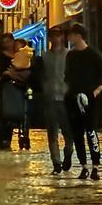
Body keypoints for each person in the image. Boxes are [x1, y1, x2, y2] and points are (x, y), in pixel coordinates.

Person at [65, 24, 102, 180]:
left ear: (79, 36)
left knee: (91, 131)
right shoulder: (70, 56)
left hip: (89, 100)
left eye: (71, 35)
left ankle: (96, 165)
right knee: (77, 133)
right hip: (72, 98)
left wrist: (95, 92)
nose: (69, 38)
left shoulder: (93, 54)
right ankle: (83, 166)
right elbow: (68, 76)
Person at [31, 28, 72, 174]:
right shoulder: (43, 56)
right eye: (53, 36)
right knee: (52, 133)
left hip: (66, 98)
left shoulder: (70, 55)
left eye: (58, 36)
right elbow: (38, 76)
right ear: (49, 39)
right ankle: (56, 162)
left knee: (69, 134)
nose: (55, 39)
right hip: (50, 98)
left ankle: (68, 153)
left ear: (62, 37)